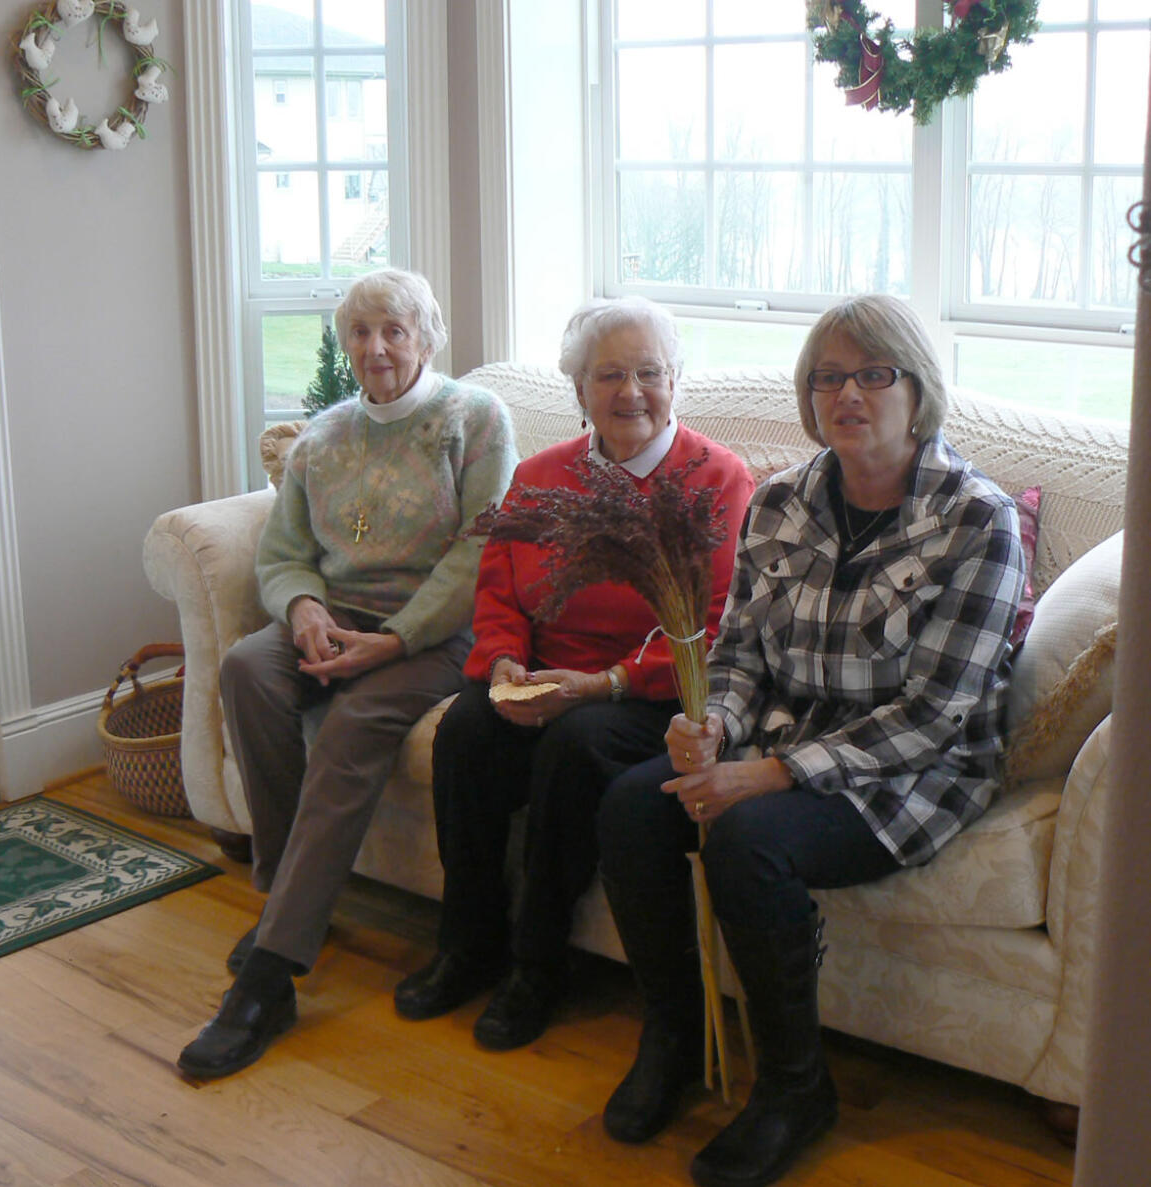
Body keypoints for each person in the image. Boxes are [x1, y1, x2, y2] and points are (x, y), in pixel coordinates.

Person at [596, 294, 1025, 1187]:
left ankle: (795, 1087)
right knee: (636, 801)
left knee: (750, 842)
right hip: (791, 731)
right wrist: (715, 724)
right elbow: (743, 651)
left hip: (915, 771)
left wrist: (773, 773)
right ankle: (673, 1033)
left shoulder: (977, 519)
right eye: (828, 376)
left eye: (874, 373)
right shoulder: (783, 499)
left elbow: (937, 713)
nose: (849, 394)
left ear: (918, 388)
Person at [177, 269, 517, 1079]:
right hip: (334, 619)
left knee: (351, 723)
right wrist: (301, 612)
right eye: (360, 333)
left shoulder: (474, 418)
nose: (376, 348)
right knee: (247, 670)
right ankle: (286, 896)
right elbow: (284, 553)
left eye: (394, 330)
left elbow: (482, 548)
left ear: (427, 337)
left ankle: (271, 975)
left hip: (436, 634)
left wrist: (394, 640)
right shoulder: (321, 439)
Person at [393, 296, 756, 1051]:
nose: (631, 393)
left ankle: (539, 964)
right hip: (539, 676)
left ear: (677, 380)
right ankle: (467, 942)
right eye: (609, 375)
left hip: (651, 690)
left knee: (576, 744)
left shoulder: (715, 478)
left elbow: (714, 623)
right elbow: (497, 588)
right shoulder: (539, 475)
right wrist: (503, 666)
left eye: (649, 373)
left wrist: (603, 683)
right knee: (465, 732)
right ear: (578, 390)